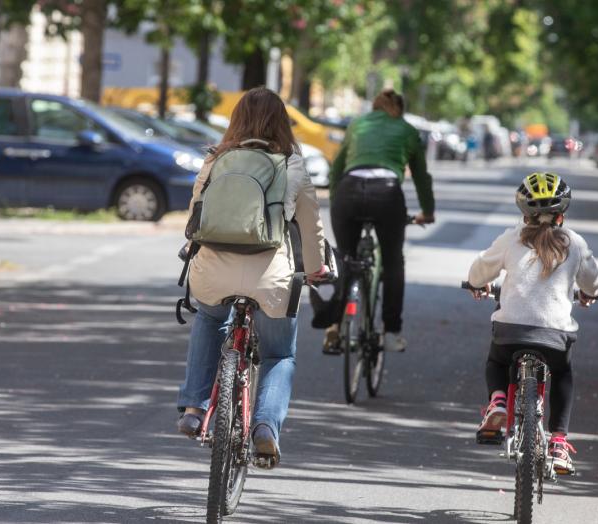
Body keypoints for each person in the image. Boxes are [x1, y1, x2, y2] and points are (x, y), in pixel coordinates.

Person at [175, 87, 327, 468]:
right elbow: (311, 226)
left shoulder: (216, 160)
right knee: (278, 354)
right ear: (282, 122)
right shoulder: (291, 163)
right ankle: (264, 428)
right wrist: (316, 267)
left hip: (212, 272)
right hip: (270, 279)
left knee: (210, 319)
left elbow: (195, 216)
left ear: (236, 119)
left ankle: (195, 408)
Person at [466, 172, 598, 476]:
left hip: (510, 332)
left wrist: (476, 283)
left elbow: (479, 271)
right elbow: (595, 281)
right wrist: (591, 293)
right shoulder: (575, 243)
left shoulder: (511, 237)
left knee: (497, 360)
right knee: (564, 372)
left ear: (523, 211)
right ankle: (558, 440)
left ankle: (499, 402)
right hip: (556, 335)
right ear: (562, 213)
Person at [326, 89, 435, 353]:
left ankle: (334, 326)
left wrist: (336, 203)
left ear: (374, 107)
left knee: (345, 260)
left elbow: (336, 170)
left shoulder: (356, 125)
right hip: (386, 194)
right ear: (399, 109)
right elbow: (421, 177)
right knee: (393, 261)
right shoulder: (407, 130)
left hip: (348, 191)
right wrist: (428, 212)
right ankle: (390, 330)